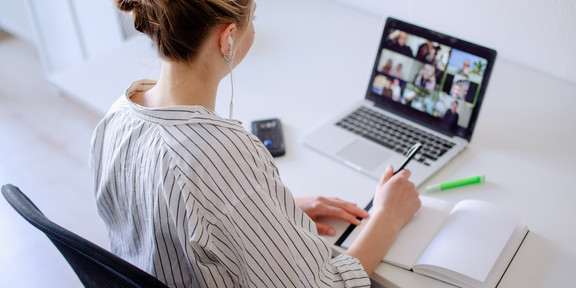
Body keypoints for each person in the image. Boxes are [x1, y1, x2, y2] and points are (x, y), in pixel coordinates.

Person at [90, 0, 421, 287]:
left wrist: (262, 212)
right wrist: (388, 217)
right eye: (254, 17)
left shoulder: (116, 118)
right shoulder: (220, 156)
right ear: (228, 38)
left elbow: (171, 222)